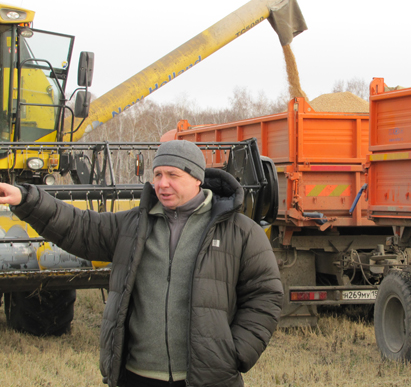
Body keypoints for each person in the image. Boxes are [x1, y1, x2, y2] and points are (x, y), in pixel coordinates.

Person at [0, 139, 283, 387]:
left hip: (207, 377)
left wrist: (235, 353)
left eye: (173, 174)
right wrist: (27, 199)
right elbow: (79, 227)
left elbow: (265, 295)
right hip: (136, 375)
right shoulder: (133, 225)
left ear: (197, 178)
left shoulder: (240, 231)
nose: (162, 183)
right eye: (157, 174)